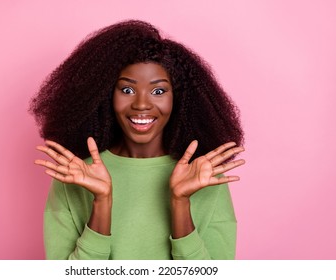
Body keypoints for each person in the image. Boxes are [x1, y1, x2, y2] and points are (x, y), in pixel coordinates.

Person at [30, 20, 245, 260]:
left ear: (180, 100)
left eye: (158, 91)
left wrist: (180, 203)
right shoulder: (75, 173)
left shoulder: (204, 176)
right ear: (104, 95)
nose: (141, 104)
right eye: (127, 90)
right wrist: (101, 202)